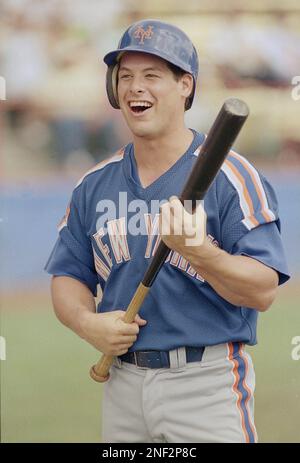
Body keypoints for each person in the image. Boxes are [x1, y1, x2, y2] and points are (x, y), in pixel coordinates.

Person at [45, 19, 290, 443]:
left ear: (185, 86)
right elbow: (69, 275)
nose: (135, 88)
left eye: (152, 76)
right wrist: (88, 323)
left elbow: (263, 290)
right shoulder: (93, 184)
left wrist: (200, 252)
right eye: (125, 77)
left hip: (205, 385)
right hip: (122, 385)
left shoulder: (232, 176)